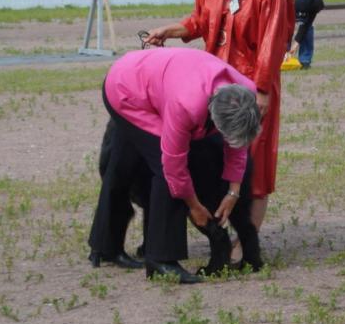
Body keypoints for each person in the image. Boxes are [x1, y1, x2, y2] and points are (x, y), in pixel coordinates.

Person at [145, 0, 294, 263]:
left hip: (251, 91)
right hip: (212, 87)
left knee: (253, 165)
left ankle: (247, 243)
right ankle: (221, 236)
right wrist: (171, 29)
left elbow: (273, 43)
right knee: (214, 161)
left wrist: (261, 91)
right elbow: (199, 21)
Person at [87, 47, 261, 284]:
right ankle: (161, 260)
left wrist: (233, 191)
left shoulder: (246, 93)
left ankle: (106, 245)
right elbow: (174, 167)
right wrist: (195, 207)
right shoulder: (186, 106)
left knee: (121, 166)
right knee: (163, 168)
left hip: (149, 77)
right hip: (125, 91)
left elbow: (237, 144)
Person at [285, 0, 324, 69]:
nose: (299, 18)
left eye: (303, 14)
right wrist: (286, 48)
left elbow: (306, 24)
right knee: (284, 27)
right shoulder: (284, 0)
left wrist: (297, 42)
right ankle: (284, 57)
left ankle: (305, 60)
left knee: (307, 28)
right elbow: (285, 26)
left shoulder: (315, 3)